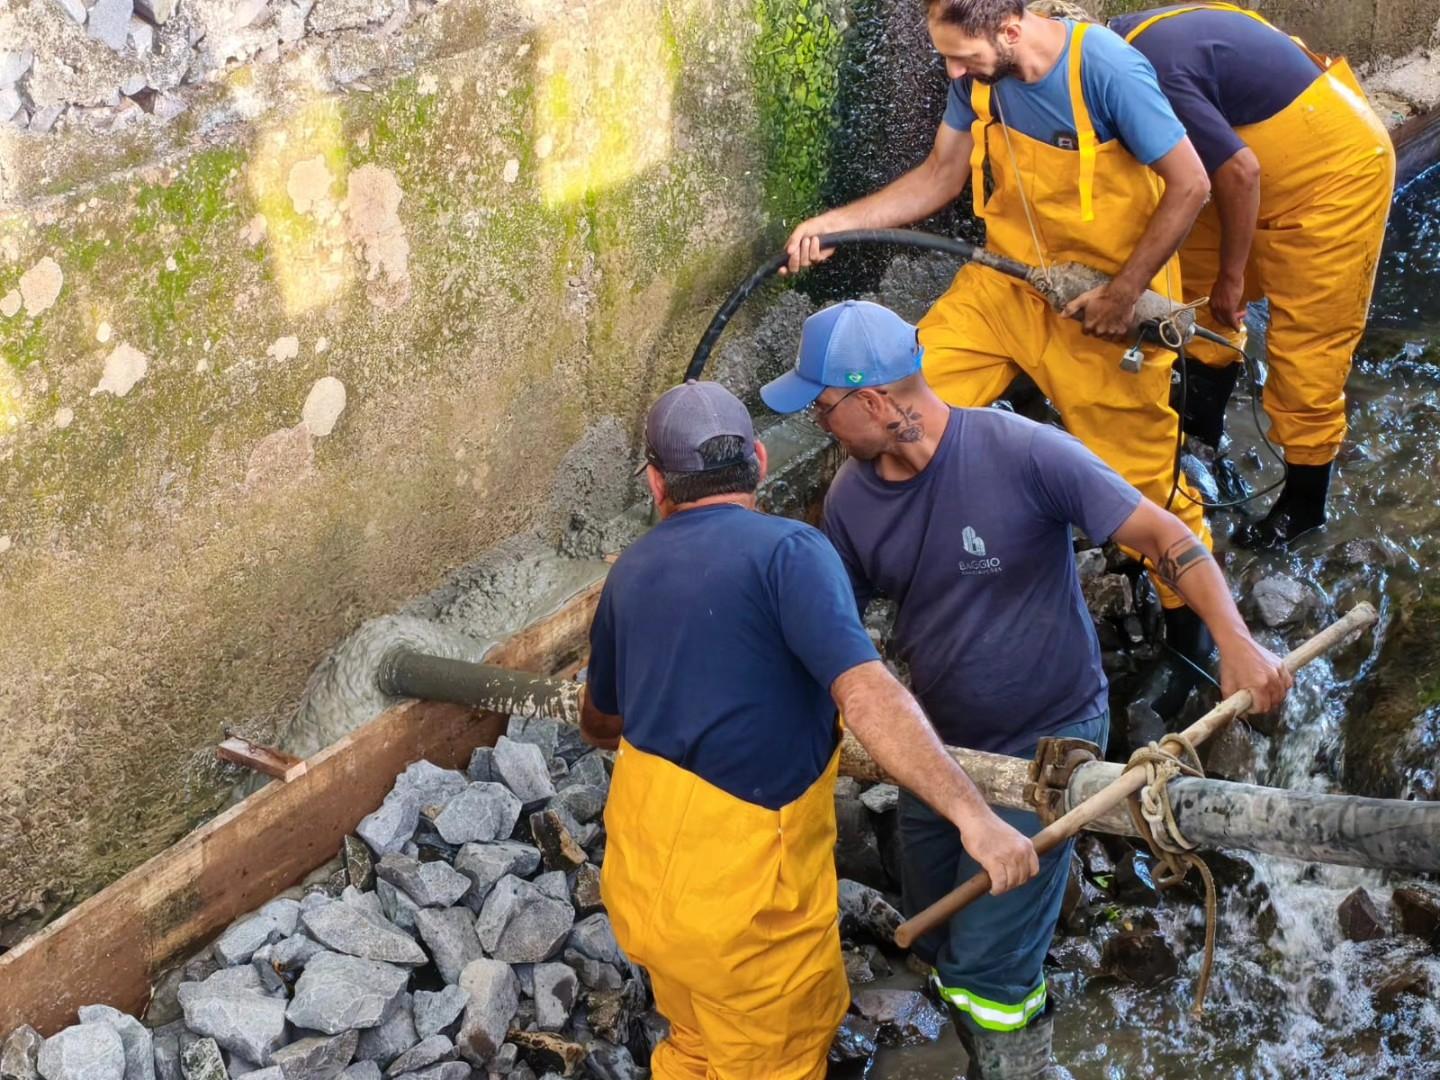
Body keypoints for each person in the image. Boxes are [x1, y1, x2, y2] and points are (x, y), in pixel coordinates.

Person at [761, 300, 1292, 1078]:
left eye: (823, 405)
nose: (819, 422)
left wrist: (1237, 642)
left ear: (873, 402)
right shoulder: (850, 499)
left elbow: (1164, 536)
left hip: (1049, 741)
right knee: (932, 927)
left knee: (987, 963)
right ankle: (984, 1031)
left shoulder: (1023, 453)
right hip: (940, 746)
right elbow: (832, 624)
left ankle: (1021, 1058)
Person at [580, 379, 1039, 1079]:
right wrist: (974, 818)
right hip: (746, 917)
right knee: (777, 1059)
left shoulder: (631, 572)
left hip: (643, 890)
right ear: (760, 461)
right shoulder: (791, 551)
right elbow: (868, 693)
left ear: (656, 483)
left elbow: (600, 723)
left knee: (696, 1042)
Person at [783, 0, 1221, 711]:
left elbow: (1193, 183)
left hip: (1103, 313)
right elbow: (940, 174)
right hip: (1006, 287)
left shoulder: (1105, 71)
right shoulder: (979, 79)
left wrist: (1123, 295)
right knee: (904, 396)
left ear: (1010, 29)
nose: (953, 72)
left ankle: (1189, 633)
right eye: (946, 57)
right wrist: (836, 223)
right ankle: (942, 561)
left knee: (1141, 477)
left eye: (962, 57)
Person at [1100, 1, 1396, 548]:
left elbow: (1240, 171)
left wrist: (1233, 278)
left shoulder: (1149, 74)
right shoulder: (1117, 43)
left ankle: (1304, 505)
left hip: (1334, 172)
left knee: (1309, 347)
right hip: (1251, 158)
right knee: (1190, 286)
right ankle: (1201, 431)